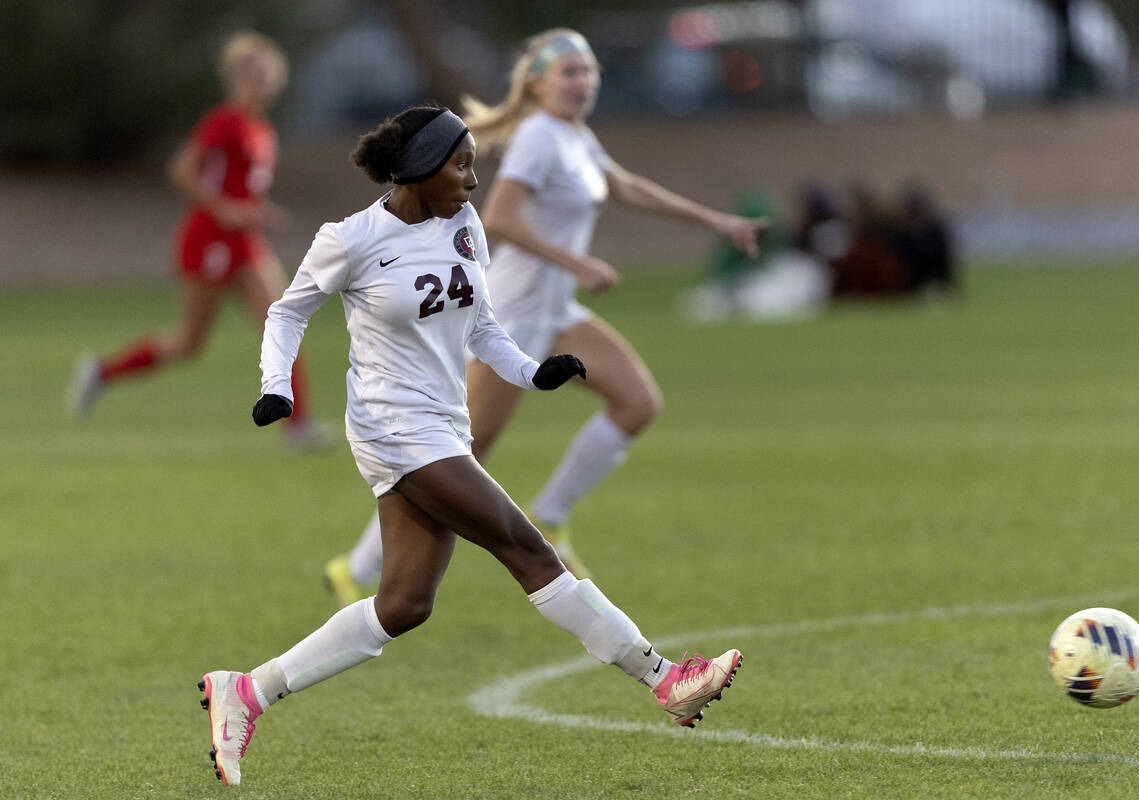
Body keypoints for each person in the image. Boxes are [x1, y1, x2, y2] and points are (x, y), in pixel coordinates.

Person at [198, 106, 743, 787]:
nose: (475, 180)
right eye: (461, 165)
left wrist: (532, 372)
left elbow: (482, 325)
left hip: (443, 424)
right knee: (528, 548)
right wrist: (275, 387)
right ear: (420, 170)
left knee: (404, 604)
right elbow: (287, 311)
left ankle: (246, 692)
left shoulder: (462, 225)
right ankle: (664, 678)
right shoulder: (351, 239)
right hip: (393, 428)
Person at [322, 28, 765, 602]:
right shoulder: (538, 137)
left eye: (589, 71)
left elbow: (625, 186)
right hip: (513, 315)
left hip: (558, 309)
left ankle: (551, 514)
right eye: (569, 72)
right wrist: (575, 261)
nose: (583, 82)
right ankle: (355, 572)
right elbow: (501, 216)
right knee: (461, 455)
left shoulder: (574, 136)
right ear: (538, 82)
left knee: (636, 403)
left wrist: (717, 223)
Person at [67, 31, 328, 448]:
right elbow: (182, 169)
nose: (255, 80)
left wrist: (258, 211)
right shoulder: (224, 120)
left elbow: (243, 187)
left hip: (245, 242)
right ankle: (101, 373)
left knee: (283, 321)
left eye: (262, 73)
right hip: (208, 239)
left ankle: (296, 427)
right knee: (188, 343)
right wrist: (224, 208)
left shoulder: (262, 130)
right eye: (247, 72)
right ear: (233, 77)